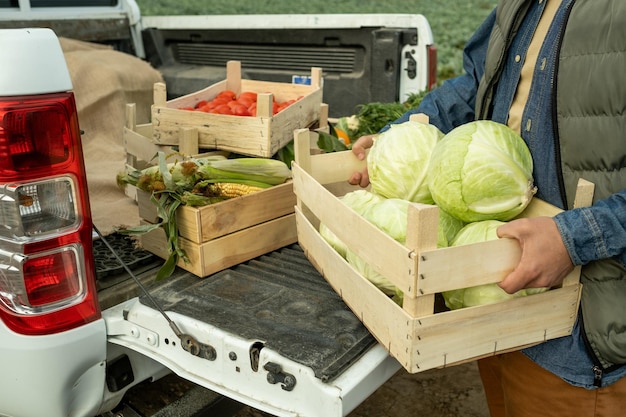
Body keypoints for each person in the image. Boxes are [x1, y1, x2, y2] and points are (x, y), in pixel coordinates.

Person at [349, 1, 626, 416]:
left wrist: (575, 238)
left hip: (584, 332)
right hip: (495, 297)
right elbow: (477, 82)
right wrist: (400, 134)